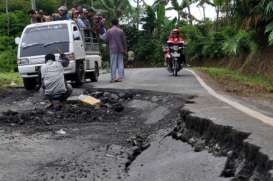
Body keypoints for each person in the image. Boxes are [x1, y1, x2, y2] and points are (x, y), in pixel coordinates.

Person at [100, 18, 127, 83]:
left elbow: (105, 39)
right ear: (117, 23)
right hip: (120, 49)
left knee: (113, 64)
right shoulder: (121, 31)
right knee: (120, 63)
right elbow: (124, 41)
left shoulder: (109, 31)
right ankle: (120, 77)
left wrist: (100, 35)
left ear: (111, 23)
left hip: (113, 49)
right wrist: (125, 49)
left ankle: (113, 78)